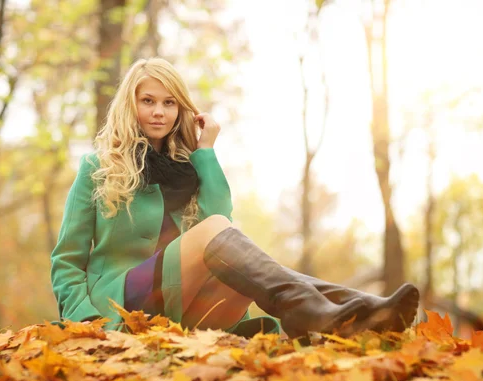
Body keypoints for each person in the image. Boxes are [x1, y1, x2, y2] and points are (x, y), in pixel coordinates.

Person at [50, 57, 420, 339]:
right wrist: (86, 322)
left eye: (169, 103)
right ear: (130, 104)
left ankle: (360, 316)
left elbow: (219, 223)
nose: (159, 112)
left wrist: (206, 151)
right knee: (217, 234)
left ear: (181, 109)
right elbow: (67, 260)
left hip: (181, 309)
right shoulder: (98, 166)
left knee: (231, 253)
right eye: (148, 101)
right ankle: (323, 311)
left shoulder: (190, 167)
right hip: (119, 304)